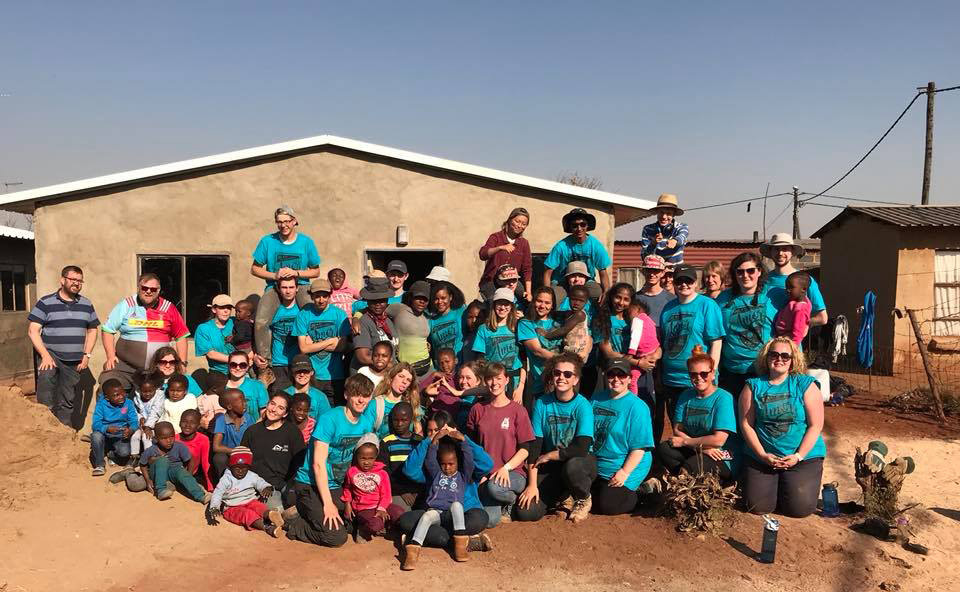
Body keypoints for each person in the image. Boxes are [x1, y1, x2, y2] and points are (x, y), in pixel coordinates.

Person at [285, 375, 378, 547]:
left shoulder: (366, 422)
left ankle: (306, 512)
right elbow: (318, 464)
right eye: (356, 394)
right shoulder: (330, 419)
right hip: (310, 482)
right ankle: (293, 524)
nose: (361, 400)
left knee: (350, 523)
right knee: (336, 536)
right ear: (346, 395)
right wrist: (327, 504)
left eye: (365, 395)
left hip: (337, 483)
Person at [739, 337, 825, 518]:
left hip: (801, 457)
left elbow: (815, 425)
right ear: (766, 357)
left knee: (799, 509)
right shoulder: (753, 386)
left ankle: (790, 484)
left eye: (785, 356)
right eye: (774, 354)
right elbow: (746, 424)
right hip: (763, 457)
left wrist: (798, 456)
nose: (779, 359)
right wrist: (762, 455)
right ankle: (773, 485)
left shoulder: (805, 385)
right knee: (757, 507)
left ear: (793, 360)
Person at [518, 352, 595, 523]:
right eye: (557, 373)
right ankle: (563, 496)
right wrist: (531, 485)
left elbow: (581, 448)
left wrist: (551, 454)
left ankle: (583, 497)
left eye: (568, 374)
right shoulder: (542, 403)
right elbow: (535, 446)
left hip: (580, 462)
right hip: (552, 466)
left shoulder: (583, 405)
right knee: (526, 512)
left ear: (576, 380)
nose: (561, 377)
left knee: (572, 467)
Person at [401, 410, 493, 553]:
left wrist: (463, 439)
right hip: (435, 512)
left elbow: (487, 464)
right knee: (406, 521)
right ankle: (466, 542)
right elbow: (410, 471)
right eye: (429, 431)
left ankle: (418, 538)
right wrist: (429, 440)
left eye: (438, 430)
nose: (435, 433)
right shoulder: (432, 461)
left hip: (464, 511)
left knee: (480, 518)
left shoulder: (464, 456)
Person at [657, 264, 725, 443]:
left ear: (695, 283)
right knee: (678, 426)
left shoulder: (707, 305)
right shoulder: (668, 308)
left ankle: (702, 463)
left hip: (698, 378)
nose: (684, 284)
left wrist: (711, 372)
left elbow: (716, 342)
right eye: (680, 281)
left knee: (700, 422)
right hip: (671, 379)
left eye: (688, 280)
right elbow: (664, 341)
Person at [27, 264, 100, 427]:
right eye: (73, 279)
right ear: (62, 280)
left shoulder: (86, 304)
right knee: (46, 398)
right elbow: (33, 331)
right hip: (50, 356)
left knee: (68, 400)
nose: (76, 283)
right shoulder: (45, 302)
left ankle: (64, 438)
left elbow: (93, 330)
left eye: (80, 280)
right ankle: (45, 432)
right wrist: (45, 355)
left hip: (74, 360)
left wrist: (86, 355)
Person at [466, 362, 536, 528]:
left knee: (494, 488)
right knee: (489, 521)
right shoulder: (477, 409)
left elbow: (525, 449)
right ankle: (497, 503)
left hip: (513, 473)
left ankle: (511, 500)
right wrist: (479, 473)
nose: (494, 383)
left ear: (506, 380)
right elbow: (472, 447)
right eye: (489, 379)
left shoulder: (518, 410)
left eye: (498, 378)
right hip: (487, 475)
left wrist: (506, 468)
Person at [655, 346, 737, 484]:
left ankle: (688, 481)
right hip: (703, 450)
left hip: (720, 454)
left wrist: (686, 442)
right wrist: (701, 449)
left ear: (712, 373)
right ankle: (692, 479)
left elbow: (718, 440)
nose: (698, 378)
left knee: (691, 466)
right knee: (665, 449)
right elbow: (677, 429)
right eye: (693, 374)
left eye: (704, 374)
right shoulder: (686, 395)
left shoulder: (723, 398)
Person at [251, 205, 320, 367]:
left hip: (301, 285)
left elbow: (315, 271)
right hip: (275, 286)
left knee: (314, 316)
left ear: (294, 221)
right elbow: (254, 269)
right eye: (279, 222)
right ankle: (265, 364)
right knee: (261, 321)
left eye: (287, 221)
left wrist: (296, 273)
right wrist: (274, 275)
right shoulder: (268, 241)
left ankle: (316, 357)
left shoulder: (306, 242)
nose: (284, 225)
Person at [400, 426, 477, 569]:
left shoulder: (462, 476)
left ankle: (460, 546)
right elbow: (430, 459)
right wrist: (435, 440)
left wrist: (463, 440)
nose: (447, 467)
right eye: (444, 464)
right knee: (426, 517)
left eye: (451, 464)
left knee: (457, 505)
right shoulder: (436, 474)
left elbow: (469, 461)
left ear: (457, 463)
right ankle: (413, 551)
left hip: (451, 514)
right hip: (436, 511)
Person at [100, 272, 190, 391]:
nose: (148, 291)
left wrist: (182, 363)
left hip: (158, 369)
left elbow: (181, 336)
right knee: (108, 386)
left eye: (153, 289)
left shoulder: (168, 308)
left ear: (159, 290)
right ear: (139, 288)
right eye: (145, 288)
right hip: (125, 367)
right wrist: (110, 356)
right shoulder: (127, 304)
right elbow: (107, 330)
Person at [590, 360, 654, 515]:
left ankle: (642, 490)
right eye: (612, 374)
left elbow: (639, 448)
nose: (616, 379)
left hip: (627, 463)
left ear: (629, 378)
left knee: (608, 506)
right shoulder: (596, 399)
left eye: (621, 375)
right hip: (600, 461)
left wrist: (624, 472)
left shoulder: (638, 407)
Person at [715, 253, 778, 399]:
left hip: (764, 369)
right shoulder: (723, 299)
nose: (745, 275)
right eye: (740, 271)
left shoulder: (773, 295)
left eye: (750, 270)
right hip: (731, 371)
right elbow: (716, 334)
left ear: (759, 271)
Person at [594, 283, 660, 402]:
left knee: (642, 405)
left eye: (626, 299)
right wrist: (638, 362)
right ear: (611, 297)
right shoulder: (602, 319)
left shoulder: (635, 318)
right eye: (618, 297)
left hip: (638, 371)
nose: (621, 302)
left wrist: (654, 356)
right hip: (614, 371)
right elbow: (608, 353)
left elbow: (653, 342)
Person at [240, 392, 306, 511]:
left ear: (285, 413)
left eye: (280, 408)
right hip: (254, 484)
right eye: (272, 404)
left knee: (284, 507)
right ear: (267, 404)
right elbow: (243, 460)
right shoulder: (252, 431)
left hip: (279, 485)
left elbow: (300, 464)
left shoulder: (293, 433)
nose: (274, 409)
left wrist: (289, 487)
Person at [295, 278, 351, 406]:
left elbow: (342, 346)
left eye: (324, 296)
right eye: (317, 296)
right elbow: (303, 348)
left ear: (330, 295)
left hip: (335, 375)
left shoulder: (339, 314)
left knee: (334, 411)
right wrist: (330, 341)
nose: (321, 300)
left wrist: (313, 345)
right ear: (311, 296)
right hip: (312, 375)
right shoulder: (304, 314)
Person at [341, 433, 405, 542]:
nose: (366, 462)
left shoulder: (382, 473)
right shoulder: (351, 472)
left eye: (370, 458)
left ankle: (386, 526)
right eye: (363, 458)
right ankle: (362, 529)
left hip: (381, 505)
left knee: (399, 513)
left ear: (375, 457)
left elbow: (386, 494)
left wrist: (381, 509)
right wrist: (347, 504)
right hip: (363, 508)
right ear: (357, 456)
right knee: (375, 525)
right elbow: (347, 488)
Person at [208, 447, 284, 538]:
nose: (240, 471)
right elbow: (217, 493)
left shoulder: (251, 475)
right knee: (247, 514)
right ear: (231, 466)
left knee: (260, 506)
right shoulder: (226, 479)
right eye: (237, 468)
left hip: (250, 501)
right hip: (232, 507)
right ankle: (267, 527)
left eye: (244, 468)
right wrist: (214, 507)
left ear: (248, 467)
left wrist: (266, 487)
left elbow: (260, 482)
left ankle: (270, 515)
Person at [761, 233, 828, 329]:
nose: (780, 253)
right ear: (771, 252)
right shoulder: (763, 280)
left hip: (791, 342)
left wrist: (796, 324)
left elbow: (822, 318)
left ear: (792, 252)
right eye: (776, 249)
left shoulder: (805, 280)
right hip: (764, 341)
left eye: (785, 249)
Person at [543, 208, 612, 294]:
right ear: (570, 227)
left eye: (583, 224)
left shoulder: (595, 245)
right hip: (561, 281)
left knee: (597, 294)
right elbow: (548, 272)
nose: (579, 228)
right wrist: (546, 293)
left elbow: (603, 271)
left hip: (587, 281)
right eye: (575, 226)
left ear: (587, 226)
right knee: (555, 297)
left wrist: (606, 292)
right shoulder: (561, 246)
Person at [472, 288, 525, 399]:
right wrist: (482, 382)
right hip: (492, 381)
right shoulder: (483, 329)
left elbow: (524, 359)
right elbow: (480, 360)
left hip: (514, 380)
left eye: (507, 304)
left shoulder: (518, 326)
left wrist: (521, 387)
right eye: (499, 303)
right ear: (494, 305)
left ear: (511, 306)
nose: (502, 307)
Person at [139, 421, 210, 504]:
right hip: (157, 473)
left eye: (172, 437)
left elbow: (190, 460)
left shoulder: (179, 446)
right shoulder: (151, 450)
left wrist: (188, 475)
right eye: (164, 438)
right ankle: (161, 490)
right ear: (157, 439)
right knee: (162, 460)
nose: (169, 441)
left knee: (181, 472)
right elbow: (142, 464)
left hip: (173, 472)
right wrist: (147, 480)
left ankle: (201, 496)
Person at [517, 286, 560, 415]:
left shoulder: (558, 323)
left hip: (562, 381)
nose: (542, 305)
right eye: (539, 301)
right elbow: (537, 350)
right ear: (533, 301)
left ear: (552, 305)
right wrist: (565, 360)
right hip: (541, 384)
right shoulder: (526, 323)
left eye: (547, 303)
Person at [478, 207, 533, 302]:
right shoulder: (496, 237)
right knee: (495, 301)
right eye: (517, 221)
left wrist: (528, 292)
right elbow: (483, 254)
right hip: (492, 281)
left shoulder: (524, 243)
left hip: (512, 281)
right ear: (510, 219)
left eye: (524, 224)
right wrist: (500, 248)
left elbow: (527, 269)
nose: (520, 226)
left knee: (526, 301)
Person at [378, 402, 424, 510]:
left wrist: (418, 491)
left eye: (404, 420)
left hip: (418, 491)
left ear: (411, 420)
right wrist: (401, 491)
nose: (399, 424)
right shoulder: (386, 442)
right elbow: (384, 472)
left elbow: (424, 468)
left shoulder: (419, 441)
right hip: (396, 492)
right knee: (404, 514)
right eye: (395, 420)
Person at [90, 378, 138, 476]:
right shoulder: (101, 405)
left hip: (119, 435)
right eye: (116, 395)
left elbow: (134, 421)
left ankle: (110, 454)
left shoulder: (128, 403)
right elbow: (96, 424)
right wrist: (107, 428)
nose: (121, 397)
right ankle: (99, 464)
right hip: (105, 433)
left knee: (124, 453)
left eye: (122, 393)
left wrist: (131, 430)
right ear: (107, 398)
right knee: (96, 436)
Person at [260, 276, 301, 393]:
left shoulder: (302, 309)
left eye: (291, 287)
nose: (288, 291)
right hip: (279, 363)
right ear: (278, 289)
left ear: (297, 288)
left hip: (298, 362)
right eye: (284, 287)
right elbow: (262, 332)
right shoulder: (273, 310)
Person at [350, 276, 397, 372]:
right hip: (367, 379)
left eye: (382, 300)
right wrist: (394, 368)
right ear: (367, 301)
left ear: (387, 300)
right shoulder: (363, 322)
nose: (378, 304)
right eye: (373, 300)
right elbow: (363, 357)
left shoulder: (389, 319)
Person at [387, 280, 433, 379]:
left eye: (425, 299)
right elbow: (375, 309)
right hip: (405, 370)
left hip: (427, 367)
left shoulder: (426, 316)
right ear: (411, 297)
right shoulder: (399, 309)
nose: (422, 301)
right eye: (418, 298)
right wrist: (356, 317)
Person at [370, 363, 422, 437]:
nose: (404, 382)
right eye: (401, 376)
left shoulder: (411, 404)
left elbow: (418, 432)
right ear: (391, 377)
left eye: (408, 380)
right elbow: (367, 433)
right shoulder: (375, 404)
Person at [211, 388, 253, 479]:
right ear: (229, 407)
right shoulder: (221, 420)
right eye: (241, 401)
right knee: (219, 459)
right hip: (228, 454)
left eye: (245, 400)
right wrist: (236, 452)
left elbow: (254, 438)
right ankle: (224, 483)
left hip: (246, 453)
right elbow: (216, 447)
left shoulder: (248, 418)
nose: (245, 404)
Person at [639, 193, 688, 265]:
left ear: (673, 214)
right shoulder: (648, 229)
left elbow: (682, 236)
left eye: (668, 213)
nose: (664, 216)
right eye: (661, 212)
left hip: (675, 272)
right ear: (657, 212)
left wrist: (675, 241)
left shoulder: (681, 227)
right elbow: (644, 257)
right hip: (656, 272)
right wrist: (653, 244)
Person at [282, 354, 332, 422]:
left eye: (306, 371)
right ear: (292, 373)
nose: (302, 374)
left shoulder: (320, 397)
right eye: (298, 371)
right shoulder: (284, 395)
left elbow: (326, 422)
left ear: (311, 373)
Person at [194, 294, 235, 375]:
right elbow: (211, 354)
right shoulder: (203, 328)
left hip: (242, 369)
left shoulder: (237, 323)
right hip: (219, 373)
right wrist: (238, 360)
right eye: (222, 307)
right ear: (214, 309)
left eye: (229, 308)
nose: (226, 311)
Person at [625, 300, 659, 399]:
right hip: (654, 349)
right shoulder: (650, 320)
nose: (628, 314)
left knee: (633, 378)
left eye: (629, 311)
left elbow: (635, 337)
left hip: (642, 352)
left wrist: (631, 353)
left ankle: (633, 398)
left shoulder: (637, 320)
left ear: (637, 310)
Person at [223, 349, 269, 422]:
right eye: (233, 365)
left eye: (242, 365)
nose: (238, 368)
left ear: (247, 367)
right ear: (228, 366)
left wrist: (253, 430)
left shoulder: (257, 386)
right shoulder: (220, 386)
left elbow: (264, 413)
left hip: (253, 429)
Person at [427, 281, 467, 363]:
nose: (440, 302)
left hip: (460, 367)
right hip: (440, 370)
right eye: (436, 299)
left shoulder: (461, 312)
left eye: (443, 298)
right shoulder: (431, 321)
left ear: (451, 297)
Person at [633, 255, 675, 328]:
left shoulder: (672, 299)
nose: (652, 274)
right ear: (643, 271)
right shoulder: (634, 298)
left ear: (662, 273)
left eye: (656, 271)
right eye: (648, 270)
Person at [176, 409, 213, 491]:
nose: (187, 425)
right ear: (179, 423)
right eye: (184, 422)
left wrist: (210, 486)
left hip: (191, 473)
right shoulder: (174, 439)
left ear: (198, 425)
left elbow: (205, 463)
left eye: (192, 423)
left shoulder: (203, 439)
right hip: (175, 472)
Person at [130, 373, 164, 462]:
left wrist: (148, 426)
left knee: (146, 437)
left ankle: (149, 458)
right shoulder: (137, 397)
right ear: (140, 389)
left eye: (150, 391)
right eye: (144, 391)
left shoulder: (159, 396)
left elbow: (155, 412)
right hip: (142, 425)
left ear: (155, 389)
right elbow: (135, 411)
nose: (147, 394)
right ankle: (134, 458)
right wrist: (140, 418)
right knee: (134, 436)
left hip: (155, 425)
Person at [774, 271, 813, 346]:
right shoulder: (796, 300)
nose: (787, 290)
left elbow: (797, 332)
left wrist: (792, 347)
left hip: (787, 340)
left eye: (791, 287)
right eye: (786, 287)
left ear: (804, 289)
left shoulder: (801, 309)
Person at [421, 348, 460, 418]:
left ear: (456, 361)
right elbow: (420, 388)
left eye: (447, 361)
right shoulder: (437, 377)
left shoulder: (459, 377)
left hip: (455, 415)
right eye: (441, 363)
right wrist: (434, 375)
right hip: (436, 414)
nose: (444, 365)